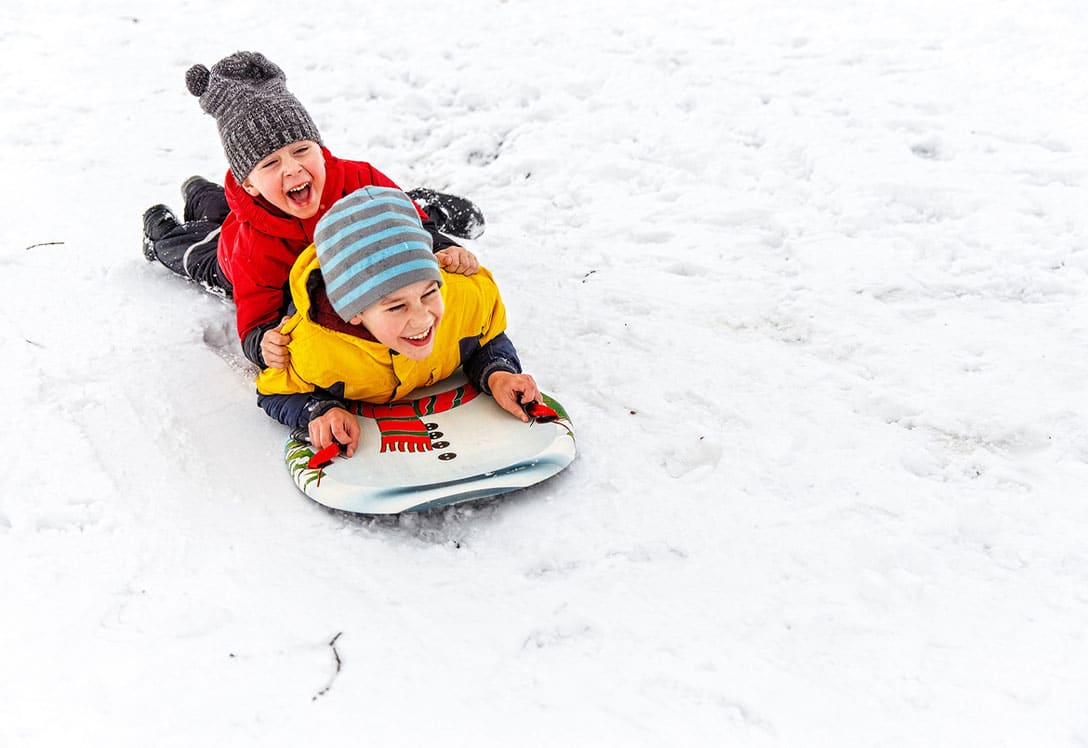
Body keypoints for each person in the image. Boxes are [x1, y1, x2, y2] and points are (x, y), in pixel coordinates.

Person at [140, 51, 485, 370]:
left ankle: (200, 190)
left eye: (302, 150)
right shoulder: (252, 247)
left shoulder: (359, 179)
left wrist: (440, 247)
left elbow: (406, 225)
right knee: (202, 247)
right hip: (228, 255)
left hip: (330, 232)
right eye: (271, 163)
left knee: (390, 211)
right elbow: (255, 320)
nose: (291, 169)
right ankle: (166, 230)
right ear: (250, 184)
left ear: (320, 149)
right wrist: (262, 343)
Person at [255, 186, 540, 457]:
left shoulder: (463, 298)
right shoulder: (312, 349)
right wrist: (319, 410)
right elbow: (273, 391)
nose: (422, 318)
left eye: (429, 293)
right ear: (355, 314)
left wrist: (498, 373)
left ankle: (425, 205)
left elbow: (485, 336)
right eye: (397, 307)